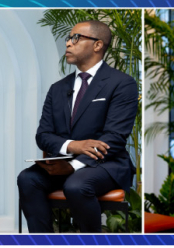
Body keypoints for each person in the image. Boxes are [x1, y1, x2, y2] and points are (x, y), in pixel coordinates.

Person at [17, 20, 138, 233]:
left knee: (76, 185)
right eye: (68, 38)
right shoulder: (57, 89)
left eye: (76, 38)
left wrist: (74, 166)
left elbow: (115, 137)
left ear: (98, 45)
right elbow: (43, 135)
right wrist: (74, 147)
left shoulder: (122, 83)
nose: (68, 44)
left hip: (105, 164)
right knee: (27, 179)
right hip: (63, 161)